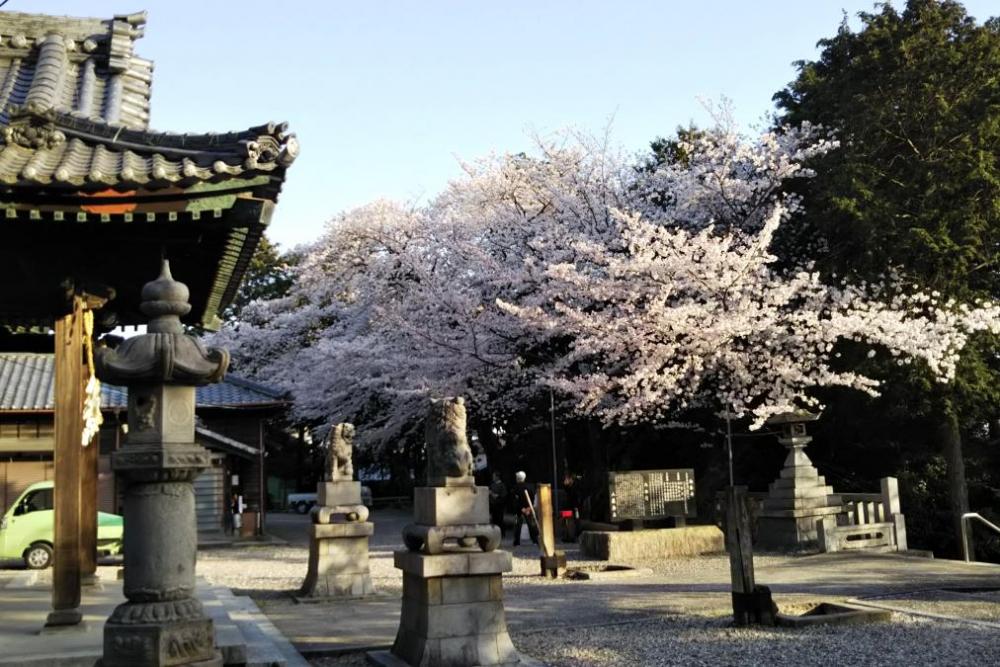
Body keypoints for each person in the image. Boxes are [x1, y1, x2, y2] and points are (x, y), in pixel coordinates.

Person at [511, 470, 538, 547]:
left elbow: (515, 500)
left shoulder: (515, 488)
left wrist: (521, 508)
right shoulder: (530, 487)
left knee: (517, 525)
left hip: (519, 509)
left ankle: (517, 542)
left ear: (518, 478)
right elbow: (533, 498)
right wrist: (529, 508)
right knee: (531, 524)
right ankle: (535, 541)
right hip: (529, 508)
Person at [488, 471, 508, 539]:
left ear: (497, 477)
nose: (493, 477)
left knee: (500, 520)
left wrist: (493, 494)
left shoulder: (502, 485)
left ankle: (502, 534)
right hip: (493, 505)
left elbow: (503, 496)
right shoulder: (492, 485)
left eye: (494, 476)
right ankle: (495, 534)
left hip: (499, 506)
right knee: (494, 520)